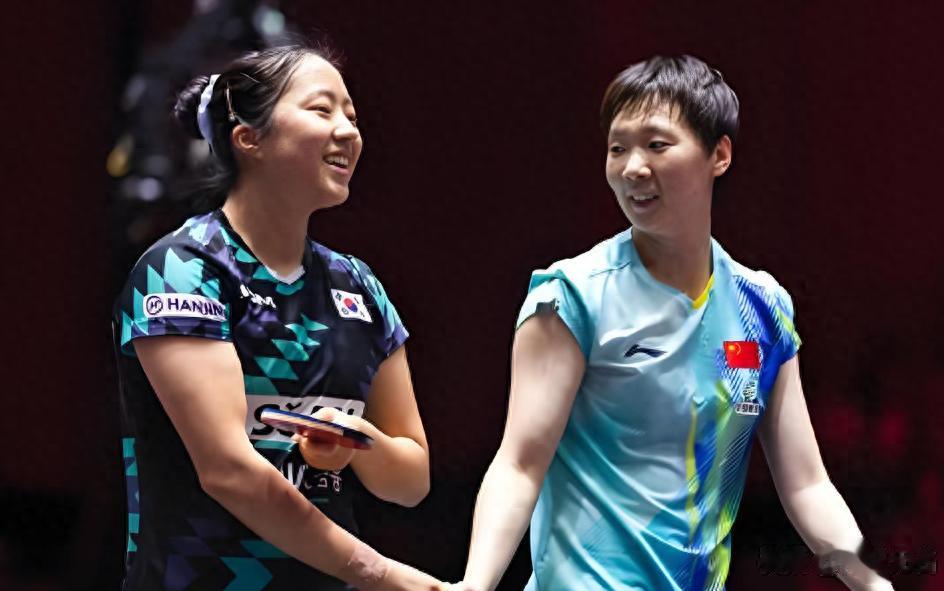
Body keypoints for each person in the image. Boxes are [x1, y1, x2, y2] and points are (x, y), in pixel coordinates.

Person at [451, 56, 892, 590]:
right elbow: (520, 464)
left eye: (657, 145)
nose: (632, 167)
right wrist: (474, 585)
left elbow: (807, 486)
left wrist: (873, 584)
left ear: (719, 155)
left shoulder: (762, 308)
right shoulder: (571, 298)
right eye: (618, 148)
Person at [113, 44, 446, 590]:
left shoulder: (358, 286)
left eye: (352, 116)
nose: (348, 131)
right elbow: (229, 472)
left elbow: (411, 481)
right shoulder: (181, 271)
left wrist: (356, 439)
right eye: (321, 110)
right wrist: (384, 576)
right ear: (250, 139)